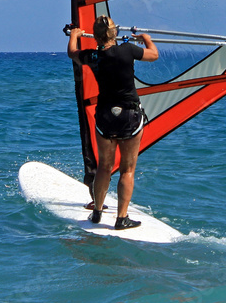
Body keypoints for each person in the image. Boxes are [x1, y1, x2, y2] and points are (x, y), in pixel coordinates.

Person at [67, 16, 158, 230]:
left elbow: (72, 53)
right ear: (114, 33)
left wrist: (74, 36)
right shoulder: (128, 50)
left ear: (96, 36)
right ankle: (121, 218)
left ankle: (97, 212)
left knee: (104, 167)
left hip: (105, 117)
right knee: (127, 169)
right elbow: (154, 55)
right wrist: (146, 39)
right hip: (129, 116)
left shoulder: (93, 56)